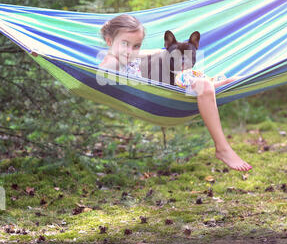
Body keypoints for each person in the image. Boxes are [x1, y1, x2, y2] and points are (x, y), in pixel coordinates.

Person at [98, 14, 252, 172]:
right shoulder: (112, 61)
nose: (131, 51)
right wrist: (112, 56)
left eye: (136, 46)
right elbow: (103, 70)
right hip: (158, 96)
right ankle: (222, 148)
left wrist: (140, 52)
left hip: (176, 88)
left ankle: (235, 80)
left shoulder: (131, 55)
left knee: (216, 83)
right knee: (205, 85)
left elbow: (157, 51)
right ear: (110, 42)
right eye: (125, 44)